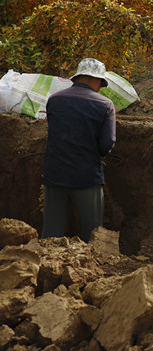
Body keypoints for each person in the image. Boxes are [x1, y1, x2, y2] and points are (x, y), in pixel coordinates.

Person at [42, 58, 116, 242]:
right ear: (97, 80)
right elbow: (108, 143)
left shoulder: (54, 100)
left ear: (78, 77)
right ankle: (90, 268)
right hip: (86, 176)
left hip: (54, 174)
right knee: (93, 233)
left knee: (51, 232)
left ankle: (45, 266)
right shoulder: (105, 105)